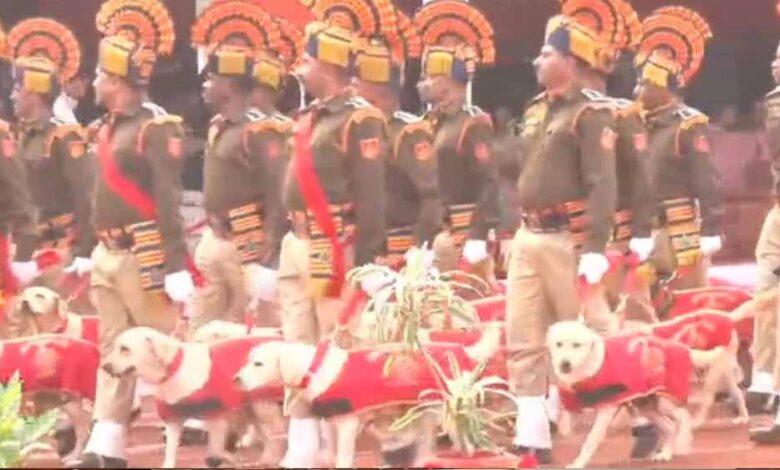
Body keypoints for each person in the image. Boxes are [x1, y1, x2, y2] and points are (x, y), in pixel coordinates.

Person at [76, 0, 196, 466]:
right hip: (107, 251)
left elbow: (168, 198)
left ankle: (201, 419)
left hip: (143, 251)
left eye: (101, 75)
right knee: (114, 348)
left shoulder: (155, 128)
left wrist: (175, 264)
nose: (95, 83)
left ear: (117, 80)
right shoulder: (107, 129)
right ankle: (107, 441)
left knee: (163, 344)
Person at [277, 16, 390, 466]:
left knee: (335, 342)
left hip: (332, 243)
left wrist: (370, 261)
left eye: (307, 61)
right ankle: (303, 443)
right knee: (297, 344)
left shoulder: (360, 120)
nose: (301, 69)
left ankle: (339, 442)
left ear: (327, 66)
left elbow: (372, 194)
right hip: (296, 240)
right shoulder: (309, 118)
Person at [507, 14, 618, 463]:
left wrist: (595, 248)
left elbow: (602, 183)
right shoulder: (536, 109)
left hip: (566, 238)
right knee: (523, 335)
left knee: (588, 332)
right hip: (527, 234)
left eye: (547, 53)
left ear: (571, 61)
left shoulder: (591, 113)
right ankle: (533, 433)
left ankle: (642, 411)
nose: (537, 60)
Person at [189, 2, 290, 332]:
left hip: (249, 242)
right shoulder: (218, 125)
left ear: (229, 86)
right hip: (215, 236)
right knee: (201, 329)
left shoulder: (261, 130)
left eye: (211, 79)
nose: (204, 85)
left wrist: (271, 250)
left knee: (250, 332)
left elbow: (278, 190)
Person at [634, 7, 724, 290]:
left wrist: (710, 230)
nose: (637, 90)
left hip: (681, 231)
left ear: (664, 88)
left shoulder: (688, 125)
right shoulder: (638, 124)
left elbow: (707, 182)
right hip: (645, 230)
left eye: (644, 83)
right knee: (644, 304)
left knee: (687, 300)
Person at [6, 18, 96, 292]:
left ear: (35, 94)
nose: (12, 96)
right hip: (21, 247)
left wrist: (85, 251)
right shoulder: (16, 135)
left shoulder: (65, 136)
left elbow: (85, 196)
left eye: (18, 90)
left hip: (58, 248)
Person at [414, 0, 499, 280]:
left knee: (469, 298)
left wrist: (478, 235)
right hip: (438, 232)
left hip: (464, 233)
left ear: (447, 80)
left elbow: (488, 183)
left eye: (429, 76)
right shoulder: (429, 124)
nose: (423, 83)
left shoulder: (472, 123)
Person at [351, 19, 442, 267]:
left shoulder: (408, 132)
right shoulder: (358, 126)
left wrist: (419, 248)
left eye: (358, 77)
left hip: (398, 250)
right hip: (360, 247)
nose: (352, 84)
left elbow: (432, 196)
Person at [748, 40, 780, 442]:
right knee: (767, 292)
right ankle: (766, 382)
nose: (775, 64)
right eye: (774, 57)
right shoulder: (771, 102)